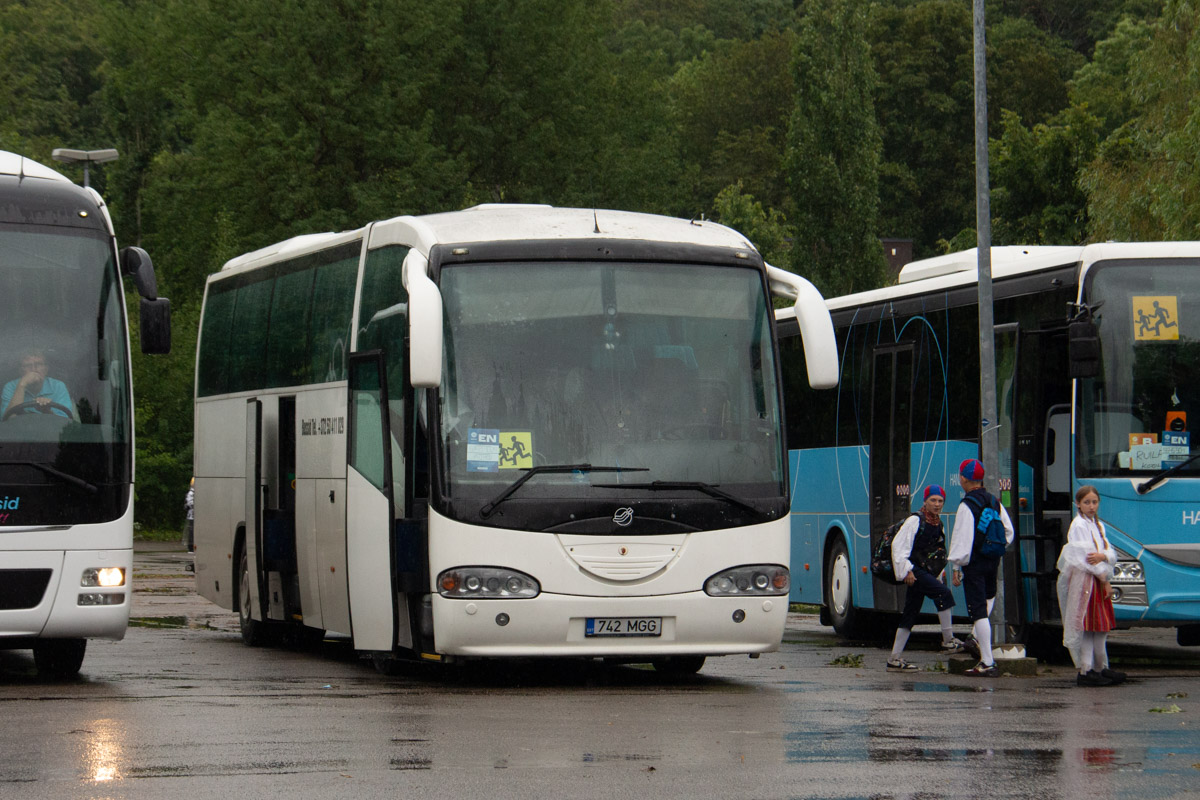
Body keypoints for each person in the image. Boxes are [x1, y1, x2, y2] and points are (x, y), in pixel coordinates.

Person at [886, 484, 977, 672]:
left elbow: (935, 553)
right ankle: (948, 640)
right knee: (944, 595)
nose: (937, 504)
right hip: (914, 571)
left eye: (940, 501)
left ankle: (894, 659)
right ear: (925, 502)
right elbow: (898, 546)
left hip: (924, 571)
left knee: (910, 614)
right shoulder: (914, 520)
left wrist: (939, 572)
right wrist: (906, 571)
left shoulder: (938, 524)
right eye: (933, 500)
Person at [948, 458, 1014, 677]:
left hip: (974, 563)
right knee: (987, 601)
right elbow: (1008, 532)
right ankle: (984, 654)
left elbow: (962, 538)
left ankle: (987, 661)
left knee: (978, 612)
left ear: (963, 479)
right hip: (992, 560)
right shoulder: (994, 502)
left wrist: (957, 566)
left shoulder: (967, 505)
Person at [1057, 485, 1126, 687]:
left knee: (1100, 626)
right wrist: (1103, 577)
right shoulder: (1078, 525)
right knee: (1088, 626)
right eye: (1086, 502)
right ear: (1078, 504)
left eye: (1094, 502)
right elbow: (1085, 559)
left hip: (1098, 579)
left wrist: (1104, 557)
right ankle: (1086, 669)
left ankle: (1100, 667)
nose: (1091, 506)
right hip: (1087, 581)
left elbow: (1110, 553)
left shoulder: (1097, 525)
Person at [1, 349, 73, 419]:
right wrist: (21, 385)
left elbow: (65, 424)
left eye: (39, 364)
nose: (34, 369)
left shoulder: (58, 386)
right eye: (28, 365)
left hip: (50, 430)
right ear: (21, 371)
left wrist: (47, 411)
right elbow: (8, 421)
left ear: (46, 369)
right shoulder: (10, 387)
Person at [185, 478, 195, 553]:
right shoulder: (191, 493)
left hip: (195, 515)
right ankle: (190, 546)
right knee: (191, 531)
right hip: (192, 516)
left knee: (193, 530)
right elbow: (190, 503)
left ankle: (192, 545)